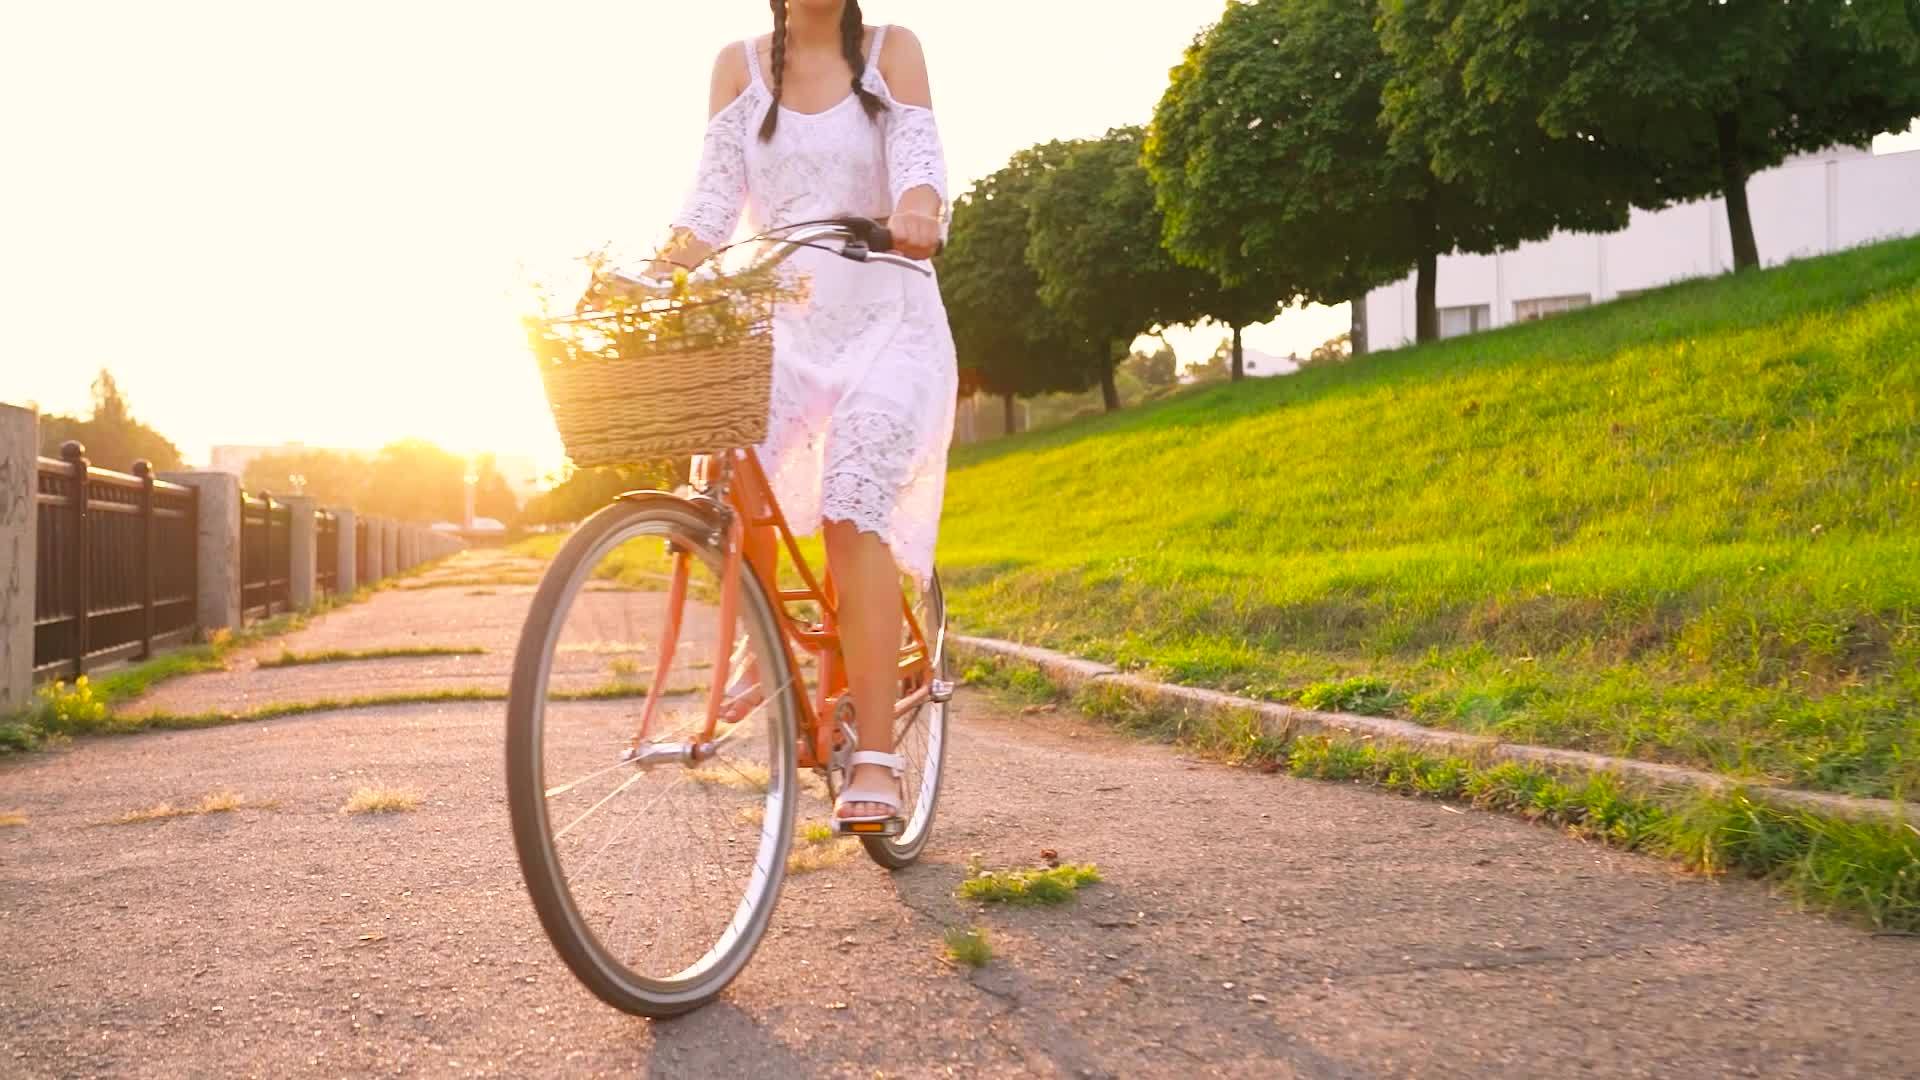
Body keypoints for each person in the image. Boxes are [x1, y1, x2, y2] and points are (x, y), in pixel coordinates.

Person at [647, 0, 956, 829]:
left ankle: (881, 758)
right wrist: (649, 272)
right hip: (783, 322)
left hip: (888, 315)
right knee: (723, 457)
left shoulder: (893, 50)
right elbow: (712, 206)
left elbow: (920, 156)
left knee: (853, 503)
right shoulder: (737, 66)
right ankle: (770, 644)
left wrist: (919, 208)